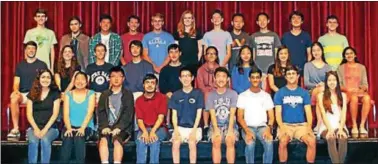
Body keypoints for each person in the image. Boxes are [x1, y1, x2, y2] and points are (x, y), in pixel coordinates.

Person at [274, 65, 316, 164]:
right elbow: (278, 114)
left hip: (301, 125)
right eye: (288, 74)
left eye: (293, 73)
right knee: (283, 141)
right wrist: (282, 127)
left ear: (298, 76)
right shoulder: (280, 93)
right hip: (285, 124)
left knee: (311, 141)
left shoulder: (304, 93)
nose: (291, 76)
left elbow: (309, 113)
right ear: (285, 77)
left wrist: (309, 127)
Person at [8, 41, 48, 139]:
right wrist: (16, 91)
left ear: (36, 50)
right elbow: (16, 83)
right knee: (13, 97)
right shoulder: (20, 65)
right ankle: (16, 129)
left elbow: (46, 81)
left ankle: (33, 129)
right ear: (25, 50)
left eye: (33, 48)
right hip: (24, 94)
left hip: (37, 93)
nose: (31, 50)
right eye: (29, 48)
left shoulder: (42, 64)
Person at [237, 66, 274, 164]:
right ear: (249, 79)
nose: (255, 80)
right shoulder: (242, 96)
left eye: (257, 77)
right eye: (253, 77)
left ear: (261, 79)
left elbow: (271, 117)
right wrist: (247, 131)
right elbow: (240, 117)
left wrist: (268, 129)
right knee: (250, 144)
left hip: (263, 127)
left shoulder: (266, 96)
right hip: (247, 127)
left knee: (269, 143)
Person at [97, 66, 135, 164]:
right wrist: (105, 126)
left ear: (123, 78)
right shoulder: (104, 94)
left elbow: (128, 114)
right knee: (103, 141)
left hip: (122, 128)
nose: (116, 79)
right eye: (113, 76)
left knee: (117, 141)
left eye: (119, 76)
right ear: (109, 78)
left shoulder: (128, 94)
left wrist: (119, 127)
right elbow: (101, 113)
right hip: (107, 126)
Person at [170, 67, 204, 164]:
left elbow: (199, 114)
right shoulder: (176, 95)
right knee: (175, 143)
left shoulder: (198, 93)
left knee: (192, 142)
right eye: (183, 76)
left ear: (192, 78)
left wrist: (194, 131)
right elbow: (174, 115)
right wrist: (176, 130)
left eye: (188, 76)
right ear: (180, 79)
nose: (186, 78)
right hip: (180, 127)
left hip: (195, 127)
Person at [26, 69, 60, 163]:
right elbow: (29, 114)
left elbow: (55, 114)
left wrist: (45, 130)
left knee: (45, 140)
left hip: (51, 128)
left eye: (48, 77)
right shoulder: (32, 93)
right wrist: (36, 129)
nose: (45, 79)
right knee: (33, 141)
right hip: (33, 128)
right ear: (39, 79)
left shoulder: (55, 93)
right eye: (43, 77)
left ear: (51, 79)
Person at [60, 71, 96, 163]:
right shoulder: (68, 94)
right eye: (77, 79)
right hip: (70, 126)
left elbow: (90, 112)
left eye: (82, 79)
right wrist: (68, 128)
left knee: (79, 137)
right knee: (67, 137)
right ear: (74, 81)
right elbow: (66, 113)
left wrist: (82, 128)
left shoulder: (91, 93)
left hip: (86, 127)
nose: (80, 82)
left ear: (87, 81)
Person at [206, 67, 239, 163]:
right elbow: (212, 115)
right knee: (216, 140)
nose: (221, 79)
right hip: (215, 125)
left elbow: (232, 114)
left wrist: (230, 131)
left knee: (229, 139)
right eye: (218, 76)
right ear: (214, 79)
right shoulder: (210, 95)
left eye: (224, 76)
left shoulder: (233, 94)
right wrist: (216, 131)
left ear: (228, 79)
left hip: (230, 125)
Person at [337, 47, 371, 136]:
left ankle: (362, 125)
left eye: (351, 53)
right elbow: (339, 85)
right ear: (344, 56)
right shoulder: (340, 68)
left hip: (359, 92)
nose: (349, 55)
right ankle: (354, 125)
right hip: (347, 93)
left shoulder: (362, 67)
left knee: (367, 98)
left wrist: (360, 89)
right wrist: (348, 89)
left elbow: (365, 85)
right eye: (347, 54)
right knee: (354, 98)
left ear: (355, 55)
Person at [135, 74, 168, 163]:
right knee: (141, 141)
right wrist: (145, 132)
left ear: (156, 85)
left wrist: (153, 131)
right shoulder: (139, 100)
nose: (150, 85)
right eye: (147, 83)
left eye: (152, 83)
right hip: (143, 128)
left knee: (154, 140)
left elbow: (161, 118)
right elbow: (139, 120)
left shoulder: (162, 98)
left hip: (159, 128)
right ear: (143, 85)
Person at [317, 71, 348, 164]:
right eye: (329, 80)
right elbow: (323, 114)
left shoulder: (343, 95)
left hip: (340, 125)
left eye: (334, 80)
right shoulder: (321, 95)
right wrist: (330, 129)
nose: (332, 82)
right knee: (331, 138)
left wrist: (341, 129)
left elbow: (343, 114)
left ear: (337, 81)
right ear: (326, 82)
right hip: (326, 125)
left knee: (342, 138)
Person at [304, 42, 332, 133]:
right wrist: (317, 85)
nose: (316, 52)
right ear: (311, 53)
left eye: (318, 50)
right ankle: (319, 122)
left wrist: (324, 85)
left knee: (321, 92)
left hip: (324, 91)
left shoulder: (327, 66)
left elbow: (331, 81)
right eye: (314, 51)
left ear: (322, 51)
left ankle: (320, 123)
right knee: (320, 91)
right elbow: (306, 83)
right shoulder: (307, 65)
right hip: (311, 91)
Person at [250, 12, 282, 88]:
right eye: (260, 20)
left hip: (271, 68)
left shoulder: (274, 35)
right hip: (258, 68)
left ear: (268, 21)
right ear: (257, 22)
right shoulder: (253, 36)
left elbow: (277, 53)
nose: (262, 22)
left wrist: (276, 67)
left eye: (264, 20)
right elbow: (253, 54)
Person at [196, 46, 220, 141]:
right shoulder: (200, 70)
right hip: (204, 92)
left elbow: (220, 83)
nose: (211, 55)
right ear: (205, 56)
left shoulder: (219, 68)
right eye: (209, 53)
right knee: (207, 95)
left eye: (213, 53)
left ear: (216, 56)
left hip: (217, 91)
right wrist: (209, 90)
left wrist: (213, 89)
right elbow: (200, 85)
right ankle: (206, 125)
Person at [173, 10, 203, 76]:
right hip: (181, 63)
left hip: (194, 63)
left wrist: (197, 60)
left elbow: (200, 49)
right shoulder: (177, 33)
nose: (187, 20)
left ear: (192, 20)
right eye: (185, 18)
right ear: (182, 20)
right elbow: (176, 49)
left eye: (189, 18)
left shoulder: (197, 32)